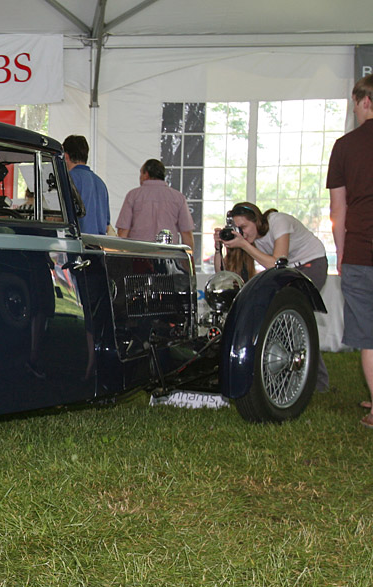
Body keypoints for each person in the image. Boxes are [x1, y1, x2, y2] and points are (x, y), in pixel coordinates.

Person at [216, 201, 330, 391]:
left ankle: (315, 381)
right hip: (289, 270)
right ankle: (296, 376)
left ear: (257, 221)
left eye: (244, 227)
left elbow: (278, 262)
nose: (242, 233)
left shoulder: (279, 221)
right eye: (238, 229)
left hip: (312, 263)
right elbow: (225, 274)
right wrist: (219, 248)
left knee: (294, 320)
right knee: (289, 323)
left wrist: (243, 243)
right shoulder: (249, 240)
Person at [328, 74, 373, 427]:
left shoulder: (344, 146)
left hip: (361, 250)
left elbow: (338, 209)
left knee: (369, 334)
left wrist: (341, 254)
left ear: (364, 102)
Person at [115, 159, 195, 249]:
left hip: (139, 253)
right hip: (168, 254)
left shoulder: (133, 195)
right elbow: (186, 233)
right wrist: (189, 259)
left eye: (141, 173)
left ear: (146, 174)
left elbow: (123, 231)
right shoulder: (178, 197)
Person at [62, 135, 111, 235]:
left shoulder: (68, 178)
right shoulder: (100, 183)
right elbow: (106, 225)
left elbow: (61, 216)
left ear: (66, 156)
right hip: (98, 245)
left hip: (77, 243)